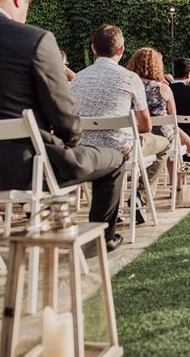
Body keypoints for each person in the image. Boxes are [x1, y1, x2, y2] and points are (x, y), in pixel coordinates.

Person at [0, 0, 125, 251]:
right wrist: (69, 143)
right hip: (27, 168)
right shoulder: (34, 40)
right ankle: (101, 241)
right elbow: (66, 120)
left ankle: (41, 221)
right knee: (115, 159)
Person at [71, 25, 169, 224]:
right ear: (121, 50)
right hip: (121, 149)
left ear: (93, 48)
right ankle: (139, 196)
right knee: (165, 144)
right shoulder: (130, 78)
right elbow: (146, 126)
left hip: (84, 149)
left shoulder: (77, 79)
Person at [126, 48, 190, 170]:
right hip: (162, 134)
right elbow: (173, 118)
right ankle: (177, 186)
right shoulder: (165, 88)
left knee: (173, 131)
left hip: (134, 134)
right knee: (173, 133)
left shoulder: (127, 87)